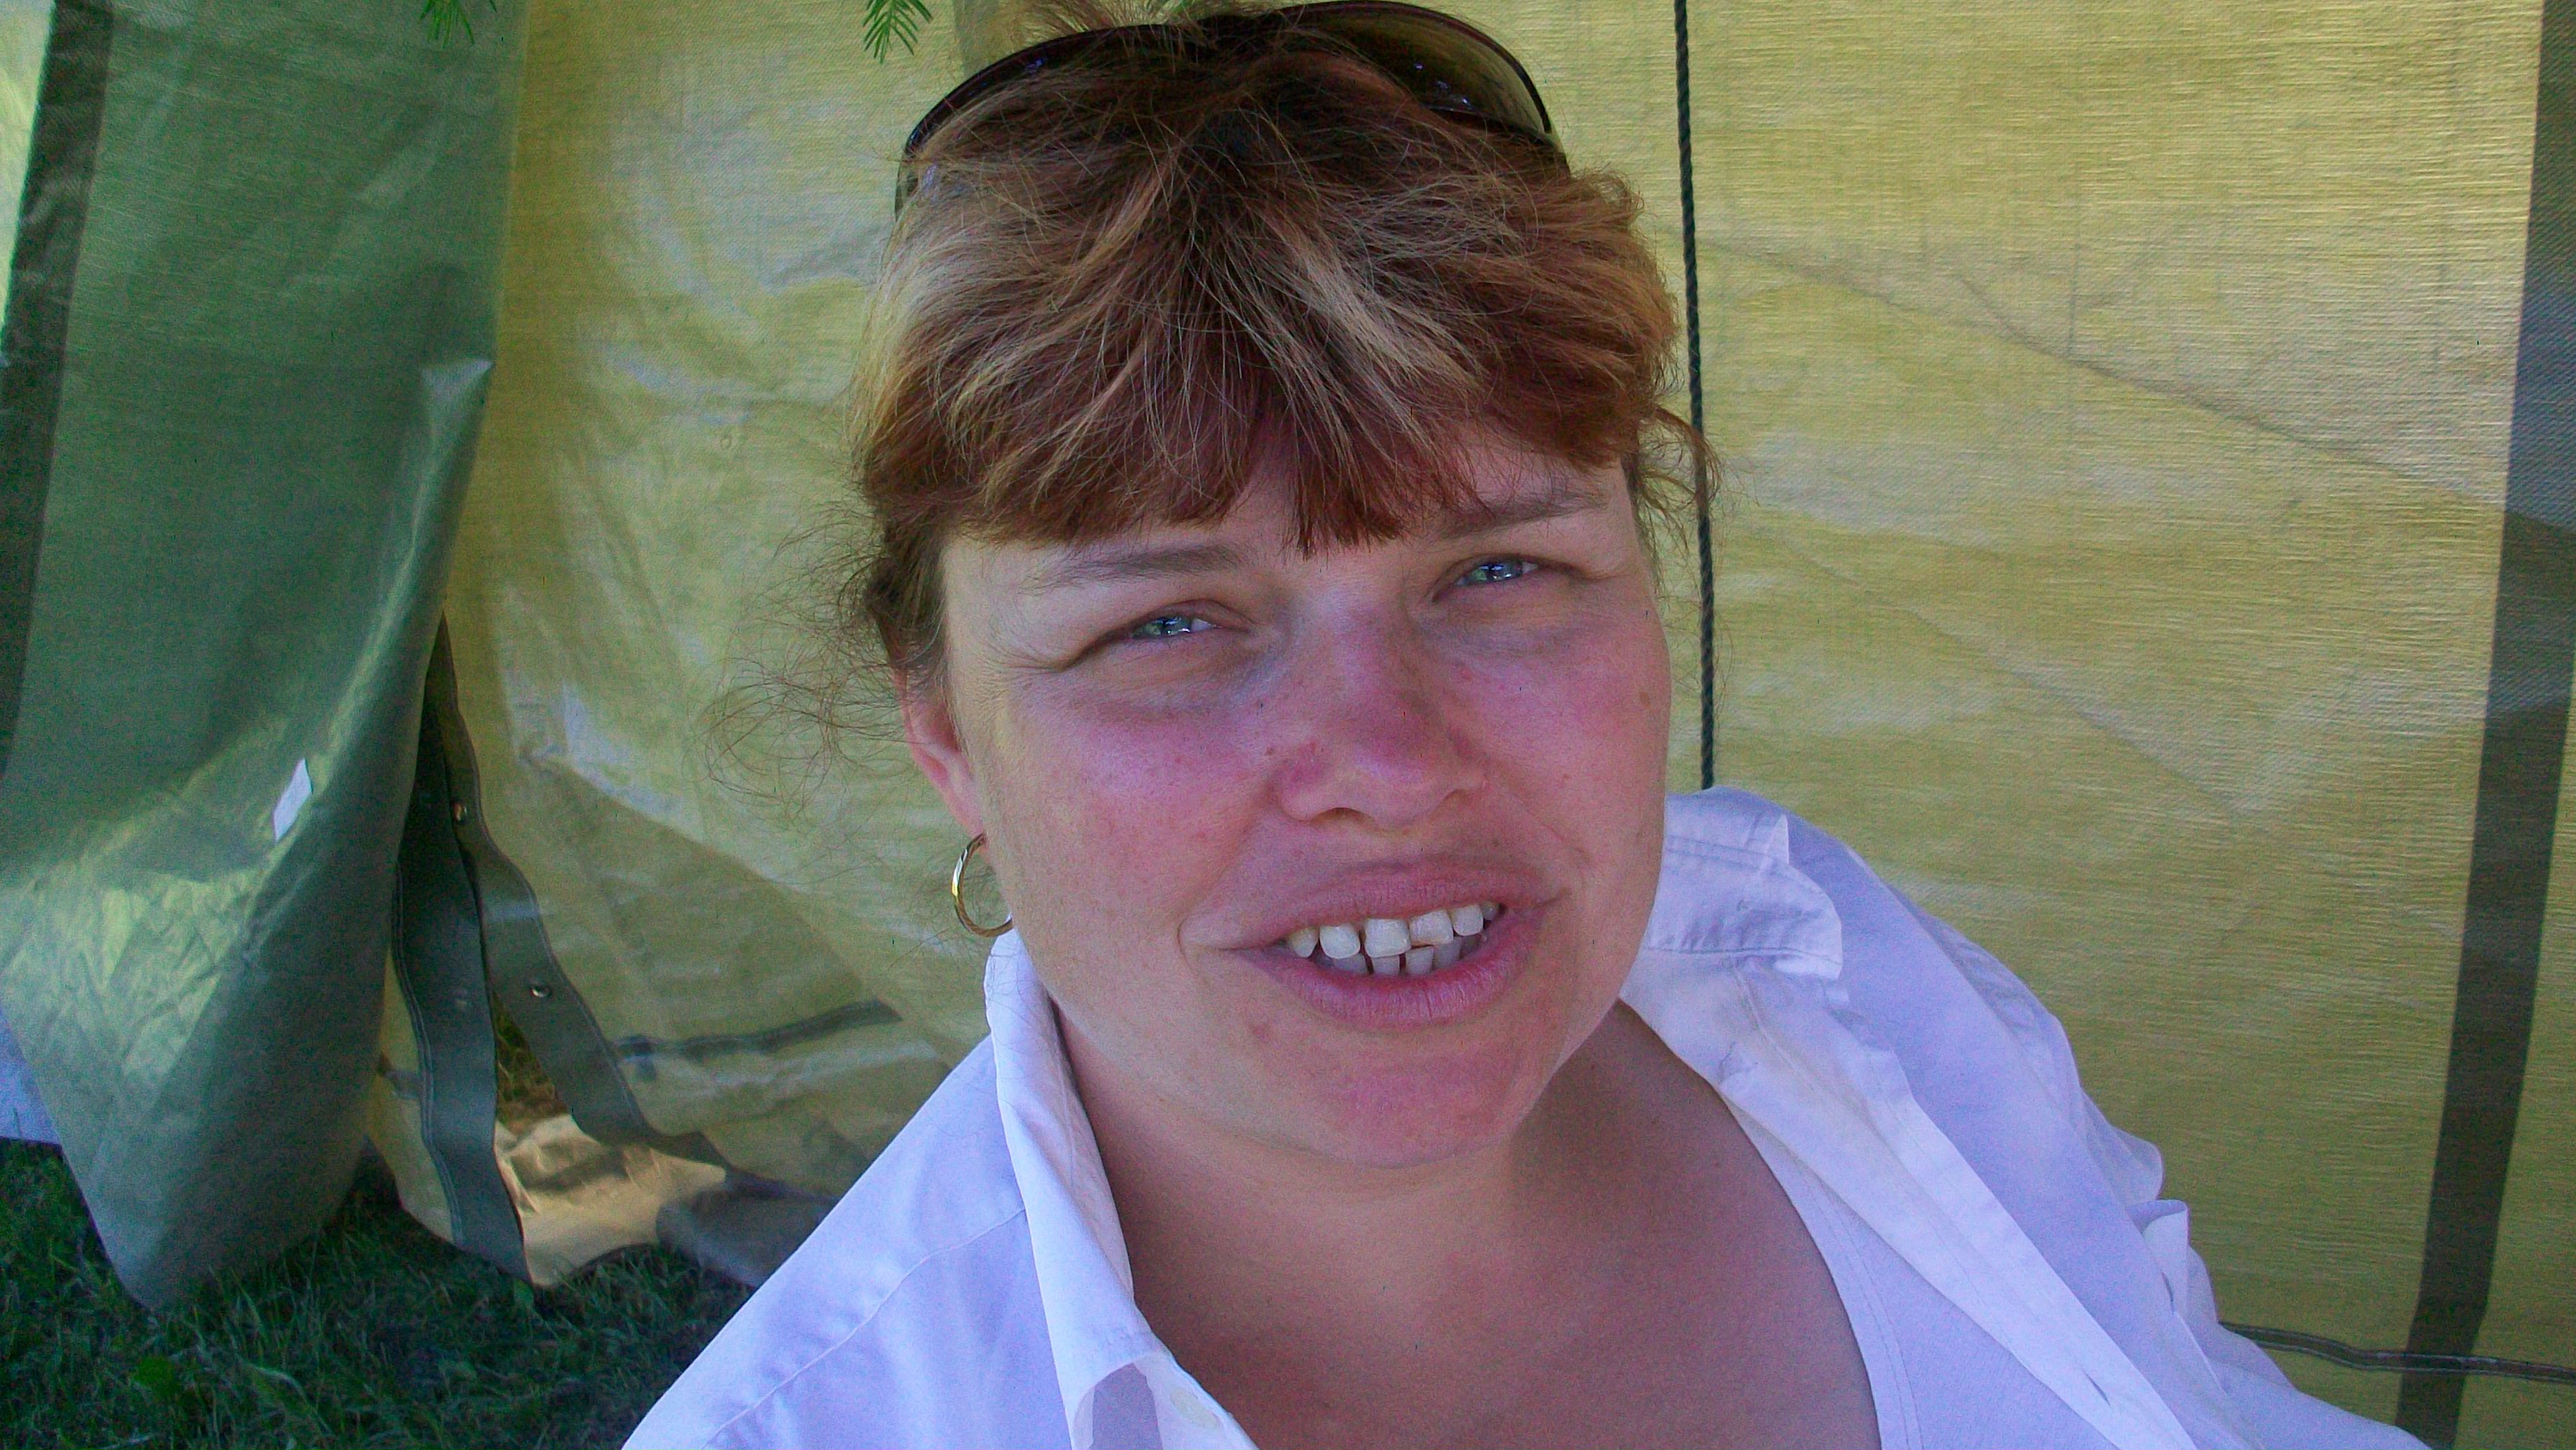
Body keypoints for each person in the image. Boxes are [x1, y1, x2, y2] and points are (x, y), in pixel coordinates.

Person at [627, 3, 2429, 1446]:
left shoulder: (1829, 969)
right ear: (943, 728)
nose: (1389, 761)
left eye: (1496, 571)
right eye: (1165, 621)